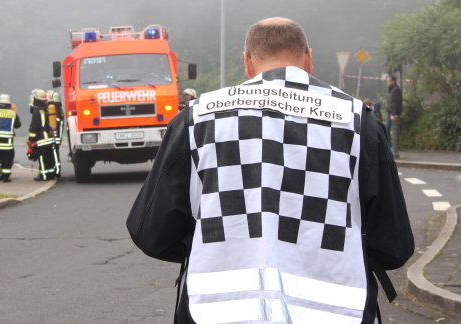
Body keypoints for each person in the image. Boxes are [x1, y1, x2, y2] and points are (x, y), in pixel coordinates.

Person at [127, 17, 414, 324]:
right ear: (309, 59)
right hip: (336, 314)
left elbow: (151, 233)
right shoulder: (358, 122)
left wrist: (211, 243)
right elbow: (393, 246)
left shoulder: (197, 119)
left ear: (247, 62)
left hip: (215, 312)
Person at [28, 89, 56, 181]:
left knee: (42, 158)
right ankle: (51, 175)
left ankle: (43, 176)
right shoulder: (46, 108)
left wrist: (31, 139)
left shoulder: (37, 110)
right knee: (49, 157)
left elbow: (34, 126)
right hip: (49, 138)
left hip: (41, 139)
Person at [386, 75, 402, 156]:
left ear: (393, 81)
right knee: (387, 129)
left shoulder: (396, 90)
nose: (387, 83)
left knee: (391, 129)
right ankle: (390, 146)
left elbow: (395, 103)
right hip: (390, 112)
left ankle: (393, 148)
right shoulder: (392, 89)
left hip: (392, 113)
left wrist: (394, 114)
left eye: (388, 81)